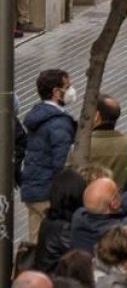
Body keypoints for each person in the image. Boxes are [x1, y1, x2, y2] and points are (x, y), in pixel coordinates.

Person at [22, 69, 77, 244]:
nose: (71, 91)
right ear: (56, 92)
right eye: (67, 87)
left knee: (35, 242)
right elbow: (61, 162)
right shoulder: (59, 122)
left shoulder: (38, 115)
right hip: (47, 192)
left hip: (32, 188)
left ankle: (27, 270)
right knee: (56, 242)